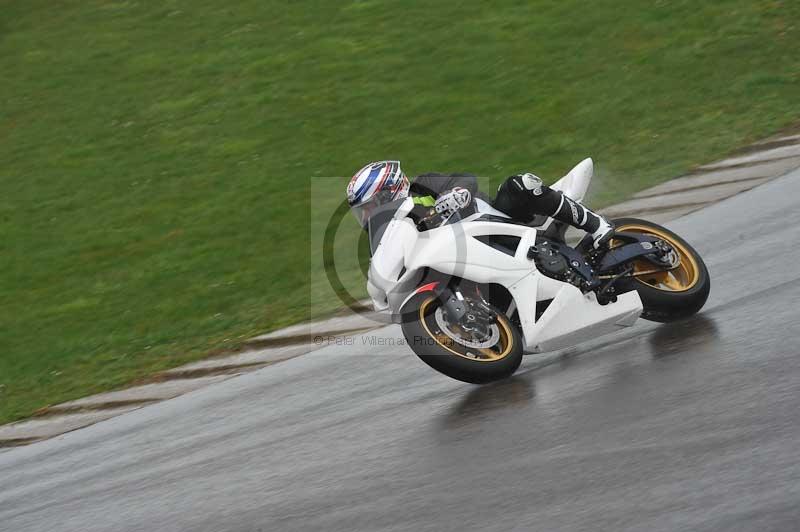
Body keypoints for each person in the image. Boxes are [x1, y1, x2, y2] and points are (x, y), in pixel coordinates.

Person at [346, 160, 614, 249]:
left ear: (388, 192)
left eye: (368, 207)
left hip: (498, 222)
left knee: (518, 184)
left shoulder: (422, 185)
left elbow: (464, 179)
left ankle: (597, 225)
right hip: (463, 255)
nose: (366, 216)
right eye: (362, 211)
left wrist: (455, 193)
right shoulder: (383, 235)